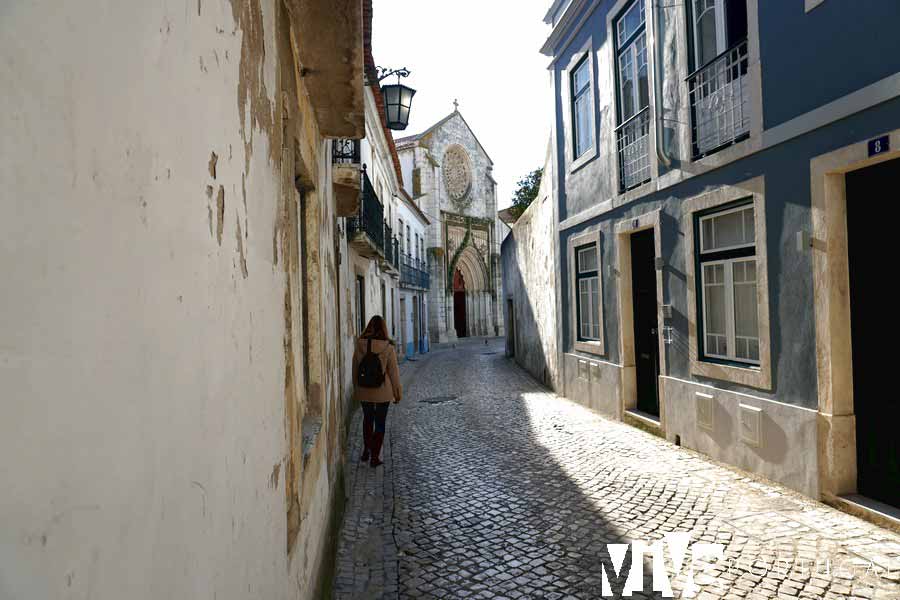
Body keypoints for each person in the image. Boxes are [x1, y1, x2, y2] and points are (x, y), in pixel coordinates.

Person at [352, 315, 401, 468]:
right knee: (380, 424)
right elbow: (393, 373)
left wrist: (356, 389)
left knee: (367, 419)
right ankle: (375, 456)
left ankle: (366, 449)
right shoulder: (388, 347)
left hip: (364, 390)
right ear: (384, 328)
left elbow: (355, 369)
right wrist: (397, 393)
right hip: (382, 392)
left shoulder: (359, 345)